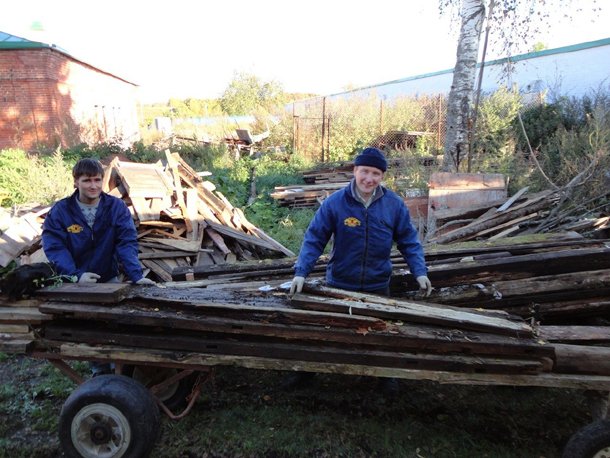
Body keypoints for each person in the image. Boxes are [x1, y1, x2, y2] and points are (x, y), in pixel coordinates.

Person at [287, 147, 432, 394]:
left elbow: (408, 240)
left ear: (382, 176)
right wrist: (301, 272)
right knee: (328, 331)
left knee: (380, 333)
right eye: (365, 171)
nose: (369, 178)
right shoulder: (335, 203)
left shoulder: (393, 205)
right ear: (355, 171)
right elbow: (314, 238)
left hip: (378, 284)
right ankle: (307, 371)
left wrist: (420, 271)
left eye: (376, 173)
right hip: (340, 282)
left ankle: (386, 376)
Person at [42, 158, 155, 375]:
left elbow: (126, 241)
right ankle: (99, 372)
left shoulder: (115, 207)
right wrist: (76, 276)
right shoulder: (61, 211)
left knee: (113, 327)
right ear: (76, 182)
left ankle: (118, 372)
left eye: (97, 180)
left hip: (108, 280)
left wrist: (135, 275)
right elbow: (55, 247)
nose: (93, 185)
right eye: (87, 181)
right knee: (87, 329)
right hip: (78, 283)